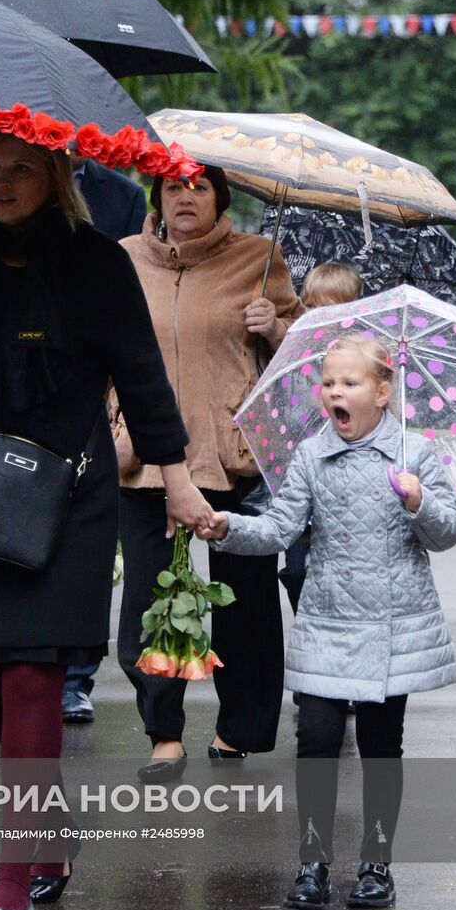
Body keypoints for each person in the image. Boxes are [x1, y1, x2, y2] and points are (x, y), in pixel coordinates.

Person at [0, 131, 212, 910]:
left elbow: (139, 372)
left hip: (66, 492)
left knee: (32, 669)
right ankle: (50, 830)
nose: (2, 181)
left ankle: (13, 869)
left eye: (21, 168)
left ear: (55, 176)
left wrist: (173, 474)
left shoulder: (93, 260)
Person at [197, 333, 456, 910]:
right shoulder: (311, 456)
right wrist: (229, 527)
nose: (334, 392)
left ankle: (376, 863)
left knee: (379, 746)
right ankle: (313, 862)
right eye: (328, 383)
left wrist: (419, 502)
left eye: (350, 382)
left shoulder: (415, 455)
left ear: (383, 391)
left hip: (393, 628)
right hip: (327, 622)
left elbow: (447, 534)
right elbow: (280, 527)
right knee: (315, 740)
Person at [112, 165, 305, 780]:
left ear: (219, 198)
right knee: (148, 603)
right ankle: (163, 732)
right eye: (173, 187)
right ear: (157, 197)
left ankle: (238, 728)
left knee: (244, 605)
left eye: (198, 187)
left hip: (235, 457)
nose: (185, 196)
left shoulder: (259, 257)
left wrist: (274, 327)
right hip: (141, 461)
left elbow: (306, 358)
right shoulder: (122, 260)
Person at [61, 155, 148, 724]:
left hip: (104, 375)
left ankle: (73, 678)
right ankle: (28, 664)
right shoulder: (7, 180)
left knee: (93, 541)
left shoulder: (121, 194)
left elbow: (131, 282)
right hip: (34, 381)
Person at [280, 260, 363, 711]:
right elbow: (288, 420)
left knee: (349, 585)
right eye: (313, 309)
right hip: (309, 490)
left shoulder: (370, 368)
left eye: (335, 311)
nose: (324, 321)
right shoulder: (298, 362)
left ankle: (345, 673)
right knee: (298, 573)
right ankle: (317, 661)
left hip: (352, 497)